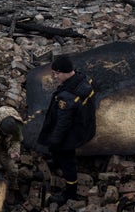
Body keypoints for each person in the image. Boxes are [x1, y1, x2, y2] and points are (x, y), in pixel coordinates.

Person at [38, 55, 96, 205]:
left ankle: (70, 192)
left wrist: (54, 142)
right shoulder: (83, 79)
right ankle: (56, 160)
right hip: (84, 126)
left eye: (57, 73)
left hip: (71, 133)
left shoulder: (67, 98)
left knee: (67, 161)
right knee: (59, 153)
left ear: (65, 72)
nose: (55, 77)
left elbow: (62, 125)